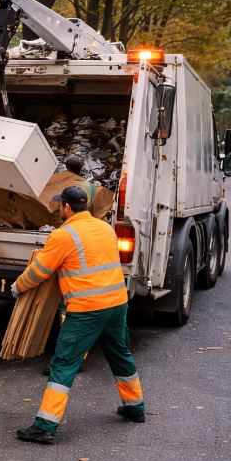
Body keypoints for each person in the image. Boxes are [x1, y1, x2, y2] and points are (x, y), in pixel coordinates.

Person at [12, 186, 145, 444]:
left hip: (87, 309)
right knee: (120, 355)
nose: (59, 208)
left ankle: (45, 426)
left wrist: (17, 287)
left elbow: (40, 271)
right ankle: (135, 407)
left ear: (67, 208)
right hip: (117, 304)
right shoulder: (106, 227)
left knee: (63, 364)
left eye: (60, 205)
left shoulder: (64, 235)